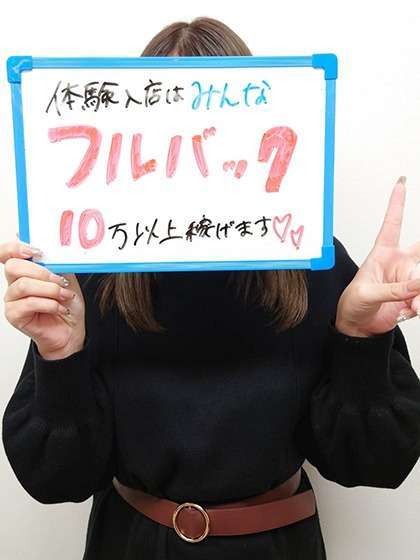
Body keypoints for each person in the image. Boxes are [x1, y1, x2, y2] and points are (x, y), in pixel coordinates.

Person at [2, 16, 420, 560]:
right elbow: (54, 480)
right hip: (132, 545)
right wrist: (61, 355)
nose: (189, 151)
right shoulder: (93, 271)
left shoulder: (310, 260)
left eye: (213, 125)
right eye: (166, 125)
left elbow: (376, 464)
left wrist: (359, 340)